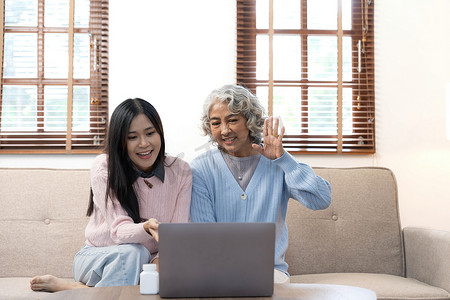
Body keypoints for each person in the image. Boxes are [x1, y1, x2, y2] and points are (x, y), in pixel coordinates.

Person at [30, 98, 192, 292]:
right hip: (98, 257)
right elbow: (119, 232)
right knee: (135, 253)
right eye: (132, 137)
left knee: (181, 266)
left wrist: (158, 265)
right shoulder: (104, 167)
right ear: (120, 141)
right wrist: (147, 228)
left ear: (160, 133)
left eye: (150, 133)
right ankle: (86, 287)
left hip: (150, 261)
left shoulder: (181, 170)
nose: (144, 143)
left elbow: (175, 235)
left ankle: (78, 289)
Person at [189, 84, 332, 283]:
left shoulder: (277, 162)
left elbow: (322, 199)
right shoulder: (201, 168)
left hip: (270, 273)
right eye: (215, 123)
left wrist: (284, 160)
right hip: (217, 272)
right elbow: (203, 235)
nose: (224, 130)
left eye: (232, 120)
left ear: (250, 120)